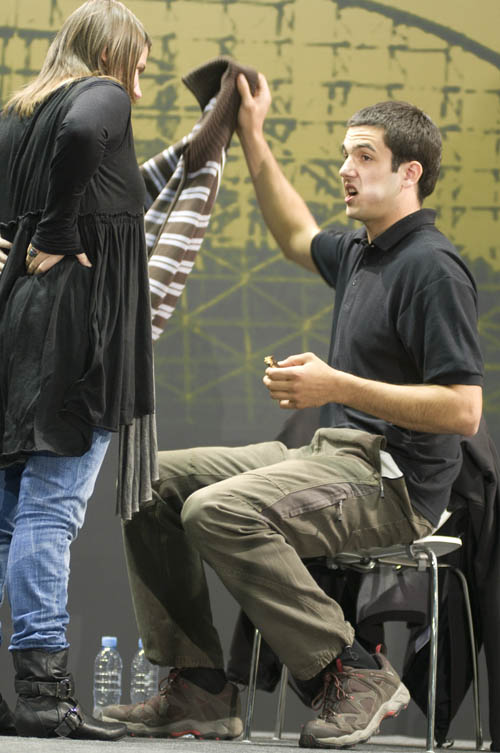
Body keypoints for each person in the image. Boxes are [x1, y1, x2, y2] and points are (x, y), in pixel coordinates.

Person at [102, 73, 484, 747]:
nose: (345, 169)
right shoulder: (365, 251)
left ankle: (352, 671)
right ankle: (200, 687)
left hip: (393, 481)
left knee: (216, 510)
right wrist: (251, 134)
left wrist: (337, 386)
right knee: (148, 480)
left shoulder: (433, 267)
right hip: (329, 457)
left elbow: (463, 411)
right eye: (345, 154)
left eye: (364, 156)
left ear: (410, 173)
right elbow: (295, 233)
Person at [0, 0, 155, 740]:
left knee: (9, 520)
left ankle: (28, 691)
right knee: (49, 511)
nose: (138, 87)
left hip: (18, 328)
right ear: (112, 54)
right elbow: (86, 131)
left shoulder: (17, 114)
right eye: (137, 68)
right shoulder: (101, 97)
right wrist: (60, 229)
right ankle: (43, 693)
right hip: (77, 334)